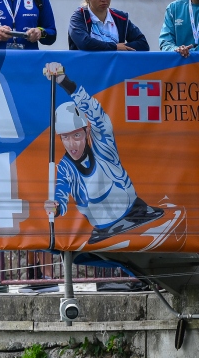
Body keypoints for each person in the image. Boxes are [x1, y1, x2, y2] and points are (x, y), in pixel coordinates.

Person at [42, 62, 164, 245]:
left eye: (76, 135)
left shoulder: (103, 146)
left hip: (138, 215)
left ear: (87, 132)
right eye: (65, 138)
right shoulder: (65, 169)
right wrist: (56, 208)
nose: (72, 143)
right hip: (103, 233)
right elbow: (61, 193)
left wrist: (65, 82)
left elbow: (97, 115)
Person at [68, 0, 148, 51]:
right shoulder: (79, 17)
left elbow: (143, 44)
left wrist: (122, 47)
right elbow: (84, 43)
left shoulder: (121, 18)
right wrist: (115, 47)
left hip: (115, 65)